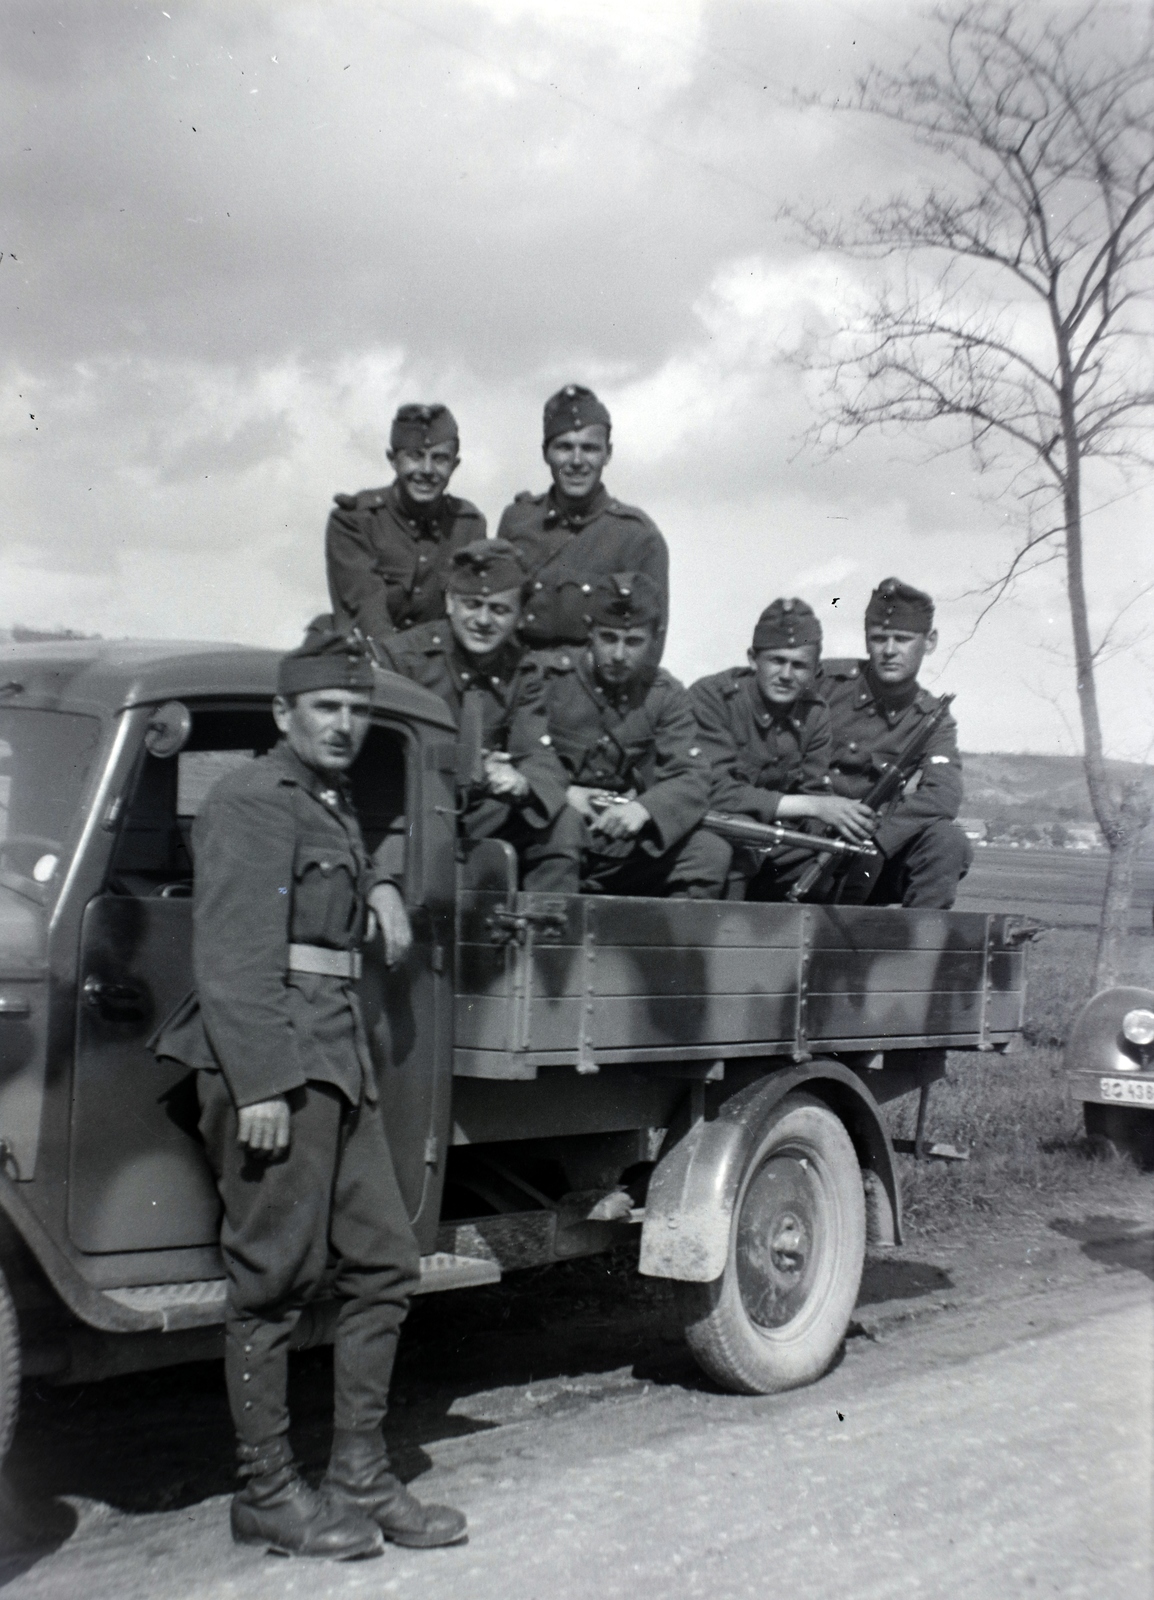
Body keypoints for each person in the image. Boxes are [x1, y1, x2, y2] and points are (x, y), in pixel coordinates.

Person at [151, 626, 466, 1559]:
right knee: (273, 1282)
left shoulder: (322, 797)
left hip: (335, 1057)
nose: (344, 724)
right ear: (285, 714)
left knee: (383, 1265)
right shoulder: (254, 798)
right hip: (276, 1065)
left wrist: (379, 887)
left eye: (358, 710)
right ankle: (267, 1494)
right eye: (326, 708)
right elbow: (233, 960)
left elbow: (323, 882)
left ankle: (360, 1476)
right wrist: (260, 1085)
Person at [379, 539, 582, 890]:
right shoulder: (402, 659)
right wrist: (461, 761)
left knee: (562, 820)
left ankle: (545, 933)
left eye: (499, 610)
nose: (483, 620)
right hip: (409, 807)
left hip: (477, 810)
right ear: (449, 603)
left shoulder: (524, 671)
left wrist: (520, 782)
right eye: (472, 605)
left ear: (519, 616)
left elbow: (536, 751)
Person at [535, 572, 727, 898]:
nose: (620, 655)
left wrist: (644, 809)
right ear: (589, 632)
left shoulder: (665, 693)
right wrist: (565, 794)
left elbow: (691, 775)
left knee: (708, 851)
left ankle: (668, 946)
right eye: (608, 638)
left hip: (618, 839)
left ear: (655, 639)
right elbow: (516, 753)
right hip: (550, 830)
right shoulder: (547, 678)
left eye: (634, 641)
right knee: (561, 829)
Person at [691, 599, 876, 900]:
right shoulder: (713, 698)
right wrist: (815, 807)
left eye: (799, 665)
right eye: (777, 660)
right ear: (753, 659)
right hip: (712, 835)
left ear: (816, 671)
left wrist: (841, 826)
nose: (787, 674)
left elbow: (813, 790)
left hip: (771, 842)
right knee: (734, 847)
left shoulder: (814, 713)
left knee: (852, 858)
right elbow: (713, 790)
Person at [820, 577, 970, 909]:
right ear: (866, 641)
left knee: (948, 841)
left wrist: (876, 837)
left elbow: (942, 796)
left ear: (929, 642)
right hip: (806, 841)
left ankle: (918, 955)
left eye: (902, 639)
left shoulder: (933, 719)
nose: (889, 651)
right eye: (879, 639)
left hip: (871, 859)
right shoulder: (824, 685)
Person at [496, 385, 668, 648]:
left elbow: (647, 647)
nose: (577, 461)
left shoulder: (637, 538)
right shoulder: (517, 520)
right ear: (546, 453)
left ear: (607, 454)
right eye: (564, 447)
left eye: (589, 448)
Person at [326, 403, 485, 644]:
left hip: (435, 668)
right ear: (393, 459)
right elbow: (368, 612)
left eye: (440, 459)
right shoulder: (354, 520)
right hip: (371, 663)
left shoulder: (468, 526)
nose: (427, 470)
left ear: (455, 465)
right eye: (415, 456)